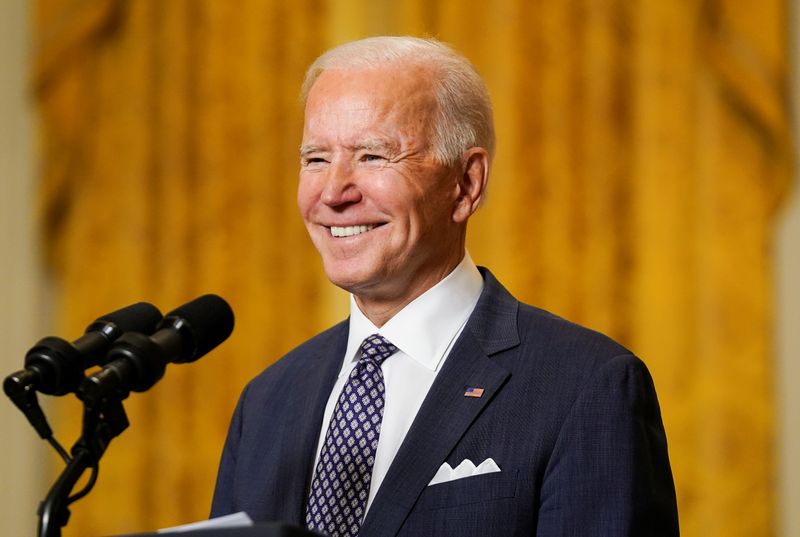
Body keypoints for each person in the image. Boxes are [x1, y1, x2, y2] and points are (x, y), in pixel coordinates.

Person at [210, 36, 679, 537]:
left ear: (466, 183)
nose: (332, 193)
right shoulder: (265, 403)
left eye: (372, 156)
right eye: (316, 159)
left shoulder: (586, 386)